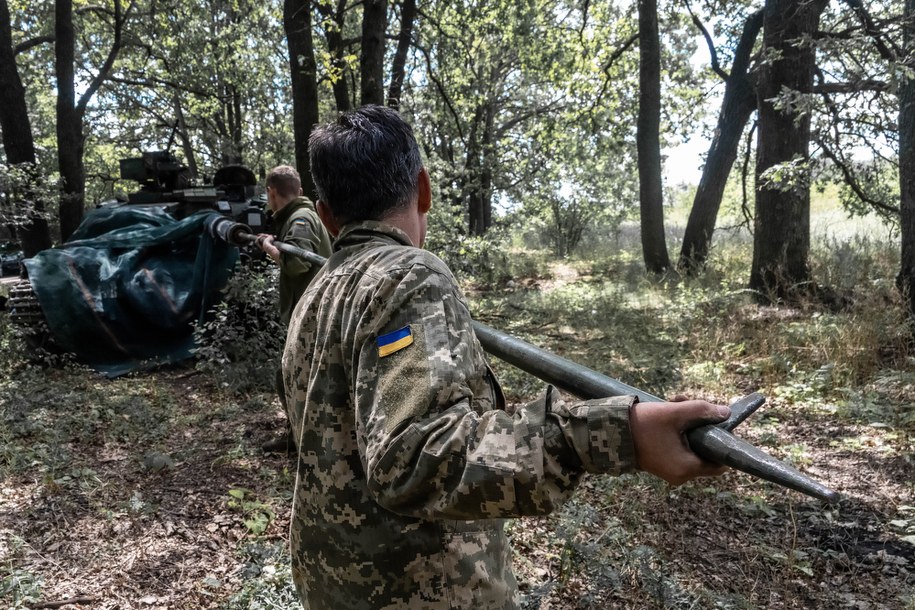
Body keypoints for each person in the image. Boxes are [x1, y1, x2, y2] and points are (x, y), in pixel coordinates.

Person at [283, 105, 730, 609]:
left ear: (325, 214)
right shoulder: (409, 274)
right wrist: (614, 434)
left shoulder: (315, 295)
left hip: (330, 581)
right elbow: (411, 457)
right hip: (416, 590)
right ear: (424, 189)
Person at [255, 165, 333, 453]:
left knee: (289, 376)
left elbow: (298, 262)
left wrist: (270, 249)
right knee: (300, 376)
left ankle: (305, 442)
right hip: (315, 309)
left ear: (271, 192)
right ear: (299, 191)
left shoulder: (299, 219)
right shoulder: (306, 214)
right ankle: (303, 436)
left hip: (313, 313)